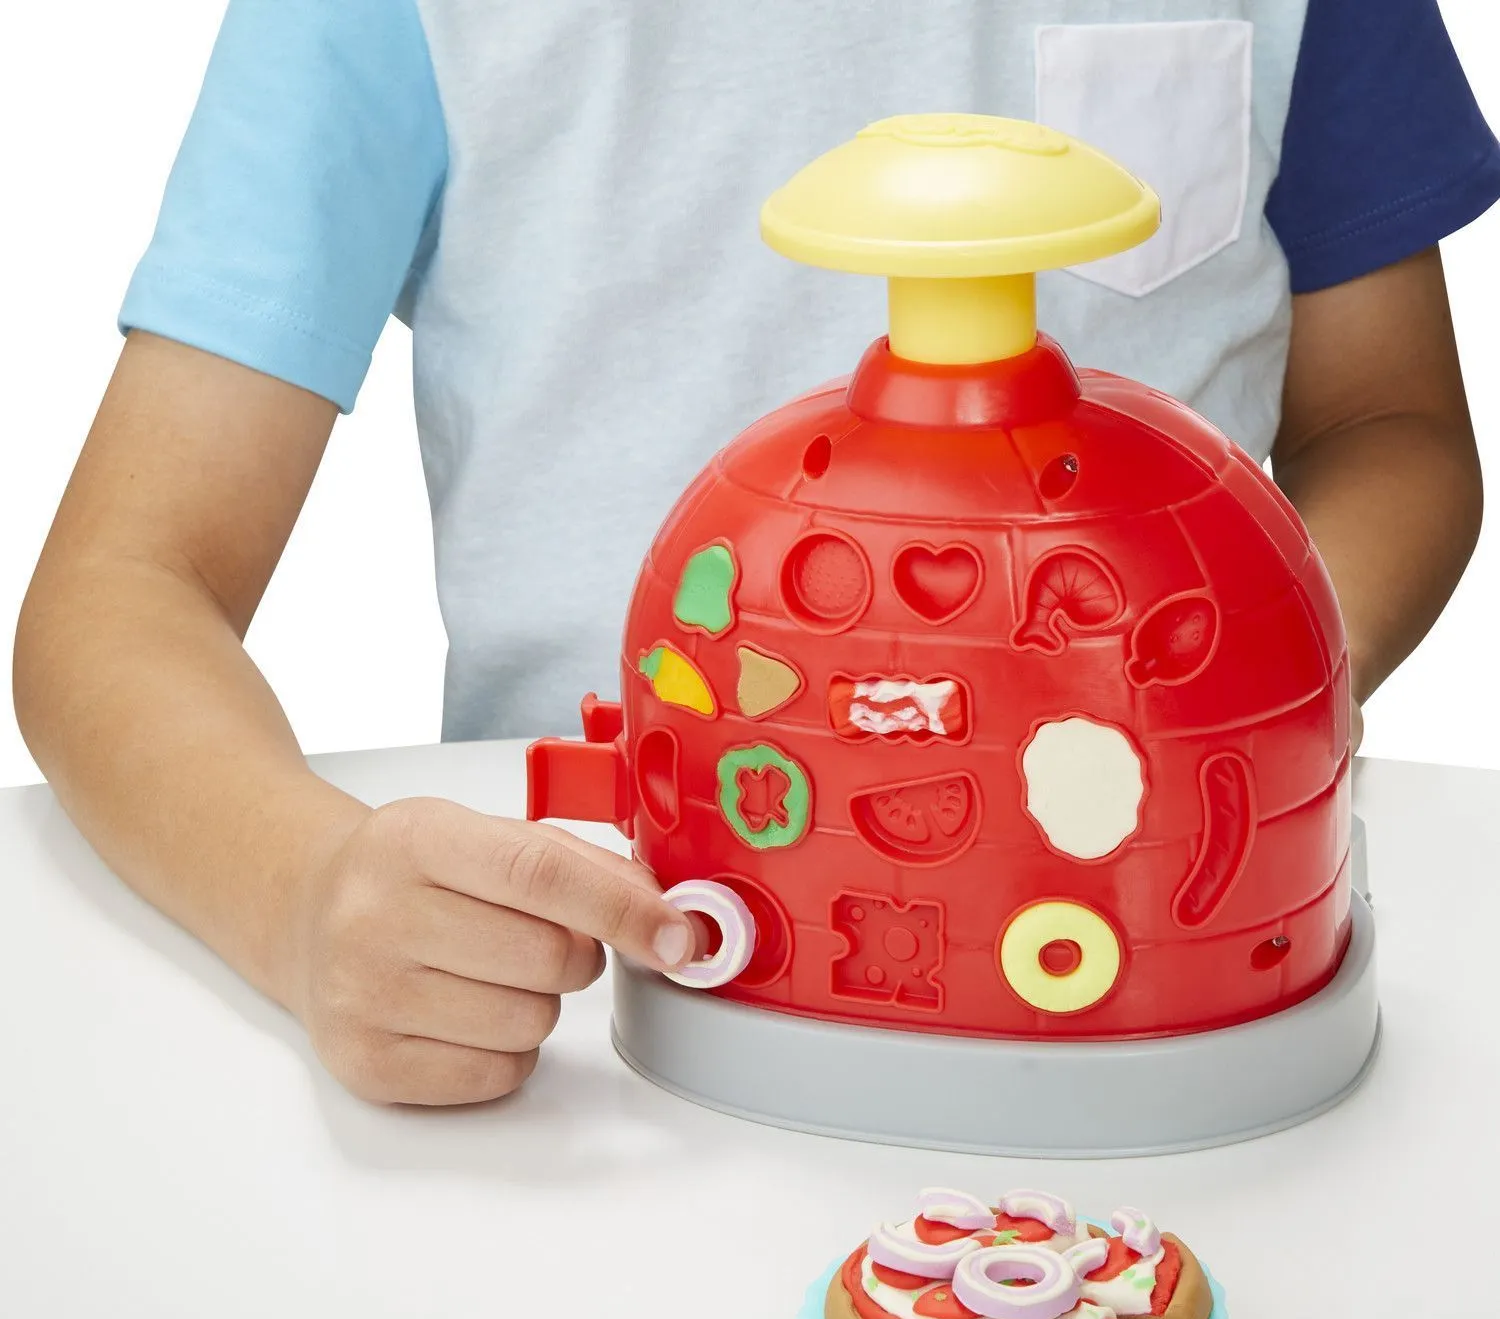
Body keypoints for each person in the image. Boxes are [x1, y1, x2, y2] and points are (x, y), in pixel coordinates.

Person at [13, 0, 1494, 1106]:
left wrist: (1253, 696)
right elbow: (127, 585)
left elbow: (1389, 421)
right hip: (595, 987)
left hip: (1165, 949)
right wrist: (303, 891)